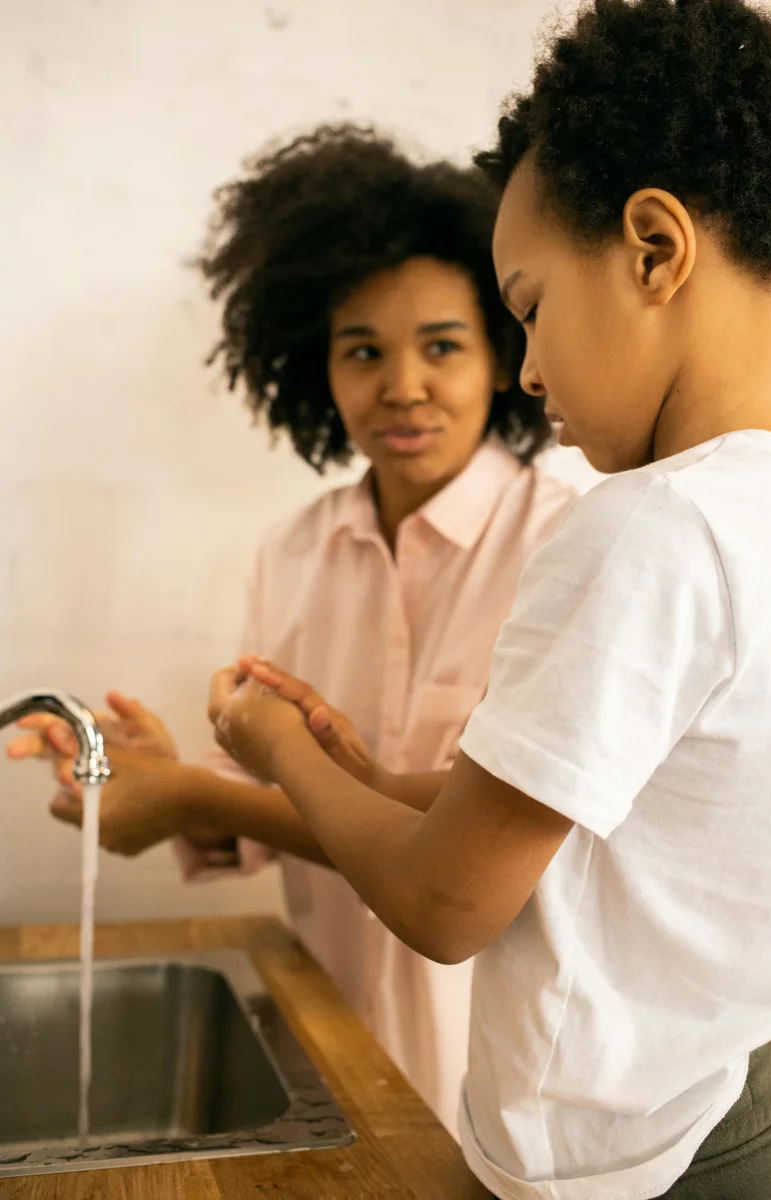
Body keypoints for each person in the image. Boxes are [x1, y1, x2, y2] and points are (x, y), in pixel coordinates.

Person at [199, 2, 771, 1197]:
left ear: (651, 247)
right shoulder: (769, 509)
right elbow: (610, 817)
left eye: (523, 309)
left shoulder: (640, 526)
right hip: (723, 1102)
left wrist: (278, 750)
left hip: (624, 1165)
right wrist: (372, 779)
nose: (527, 370)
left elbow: (442, 903)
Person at [7, 125, 577, 1135]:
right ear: (317, 370)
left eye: (440, 345)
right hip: (332, 1045)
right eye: (362, 351)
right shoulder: (291, 550)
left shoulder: (566, 546)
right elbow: (281, 802)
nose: (401, 385)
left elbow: (457, 844)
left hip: (510, 1073)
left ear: (503, 356)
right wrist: (186, 783)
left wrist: (182, 798)